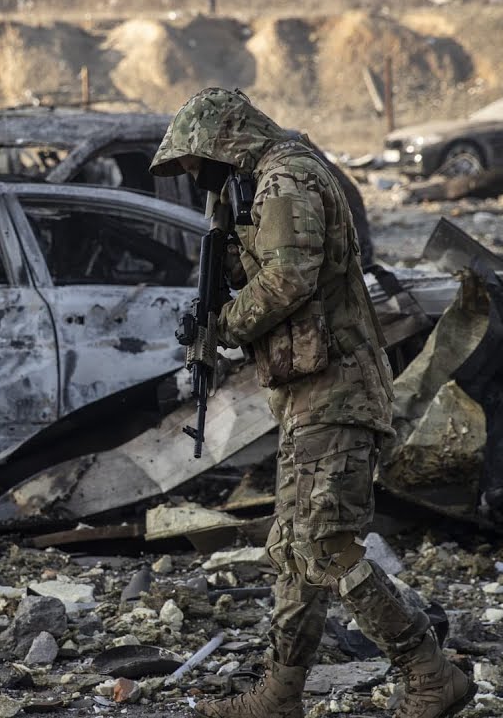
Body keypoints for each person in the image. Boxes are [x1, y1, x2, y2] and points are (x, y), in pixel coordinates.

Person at [149, 87, 475, 718]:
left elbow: (290, 279)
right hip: (310, 396)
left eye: (195, 163)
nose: (194, 177)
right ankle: (280, 692)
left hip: (338, 393)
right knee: (296, 550)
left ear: (224, 139)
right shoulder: (265, 183)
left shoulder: (287, 178)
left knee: (325, 544)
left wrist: (225, 326)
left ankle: (430, 674)